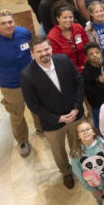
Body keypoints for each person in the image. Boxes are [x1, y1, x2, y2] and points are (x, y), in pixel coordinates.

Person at [21, 36, 84, 188]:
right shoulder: (27, 75)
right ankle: (66, 172)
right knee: (58, 151)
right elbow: (33, 105)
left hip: (75, 115)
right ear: (32, 53)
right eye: (39, 51)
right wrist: (58, 118)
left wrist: (76, 107)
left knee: (78, 144)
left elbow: (79, 82)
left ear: (51, 48)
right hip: (53, 122)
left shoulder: (63, 60)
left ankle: (81, 167)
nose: (44, 53)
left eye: (46, 49)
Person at [0, 10, 40, 157]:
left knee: (37, 105)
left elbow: (32, 50)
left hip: (31, 79)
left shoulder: (24, 33)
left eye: (10, 22)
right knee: (17, 114)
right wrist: (9, 75)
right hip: (11, 86)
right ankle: (22, 140)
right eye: (4, 23)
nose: (8, 25)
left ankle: (41, 127)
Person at [48, 6, 88, 72]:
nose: (68, 20)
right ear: (58, 18)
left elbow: (87, 46)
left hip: (86, 66)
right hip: (67, 71)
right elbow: (58, 60)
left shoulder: (78, 27)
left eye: (70, 17)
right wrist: (79, 69)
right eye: (65, 18)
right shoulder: (52, 36)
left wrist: (86, 64)